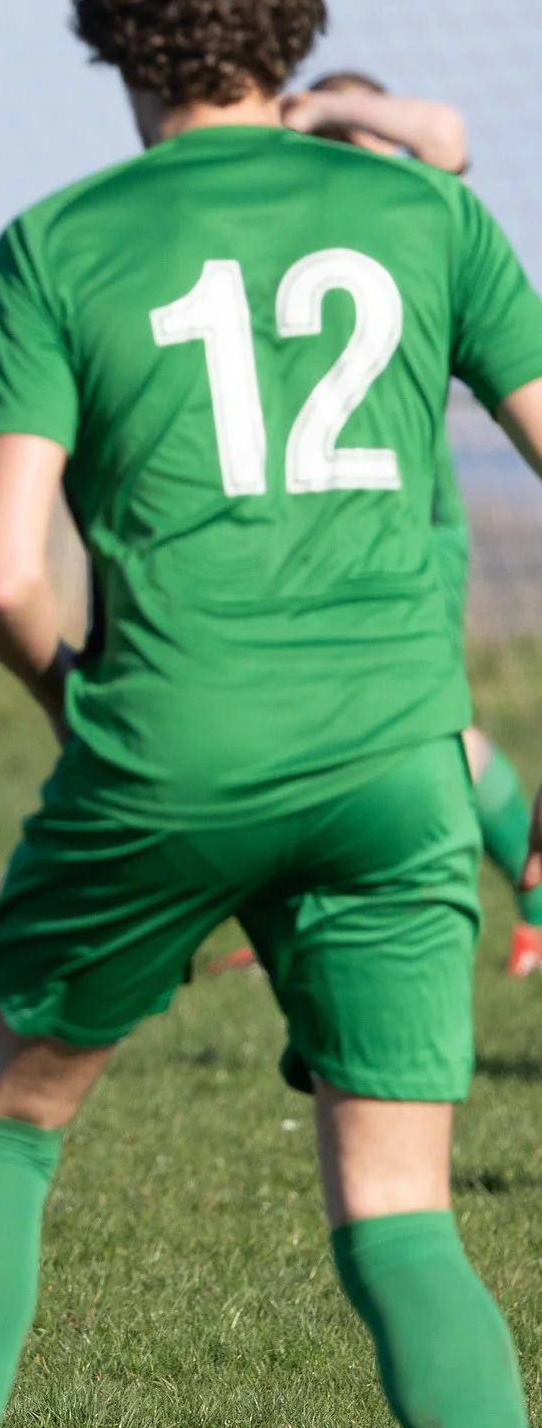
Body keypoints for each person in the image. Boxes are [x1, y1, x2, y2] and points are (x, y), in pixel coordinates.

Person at [0, 0, 540, 1428]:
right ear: (294, 28)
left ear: (112, 38)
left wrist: (74, 696)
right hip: (402, 760)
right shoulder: (429, 215)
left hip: (169, 747)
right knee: (401, 1213)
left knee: (6, 1132)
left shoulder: (57, 243)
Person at [212, 72, 540, 978]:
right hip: (299, 523)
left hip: (408, 519)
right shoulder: (284, 234)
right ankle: (301, 909)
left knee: (426, 724)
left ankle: (533, 896)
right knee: (312, 712)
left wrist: (327, 109)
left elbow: (443, 130)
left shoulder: (415, 220)